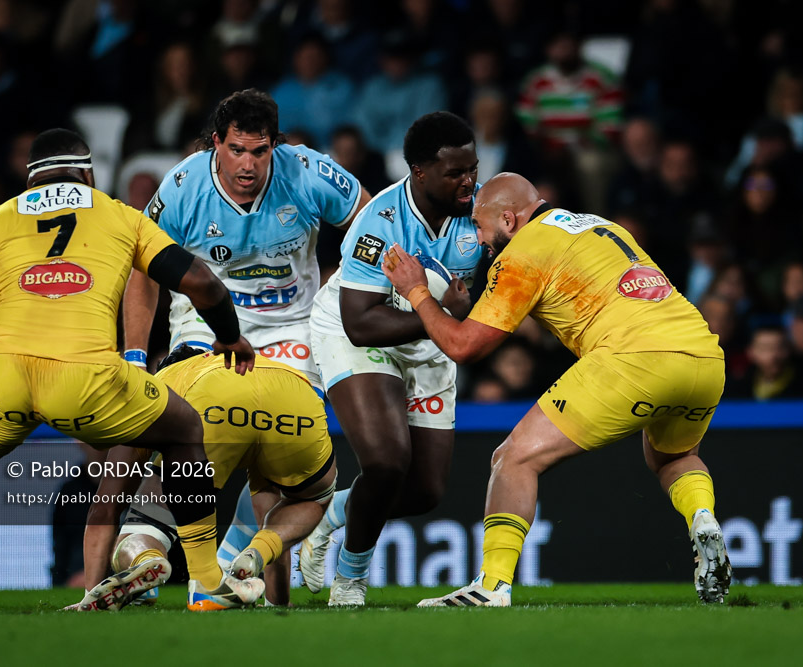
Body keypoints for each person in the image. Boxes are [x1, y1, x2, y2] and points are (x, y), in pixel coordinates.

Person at [0, 128, 263, 612]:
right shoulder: (120, 215)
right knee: (184, 429)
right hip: (86, 381)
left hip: (4, 380)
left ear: (30, 181)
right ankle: (206, 580)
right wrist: (227, 334)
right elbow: (205, 286)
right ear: (90, 173)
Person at [382, 172, 731, 607]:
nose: (478, 237)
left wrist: (416, 291)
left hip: (634, 359)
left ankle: (491, 587)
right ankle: (703, 519)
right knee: (674, 456)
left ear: (509, 219)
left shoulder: (524, 252)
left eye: (479, 224)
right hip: (704, 355)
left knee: (513, 460)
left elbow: (463, 346)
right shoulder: (599, 225)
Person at [120, 89, 370, 603]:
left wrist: (340, 295)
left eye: (260, 152)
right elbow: (141, 272)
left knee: (279, 469)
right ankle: (178, 563)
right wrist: (135, 356)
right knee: (185, 456)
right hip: (204, 333)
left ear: (277, 146)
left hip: (292, 337)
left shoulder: (308, 172)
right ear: (217, 142)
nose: (248, 165)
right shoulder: (184, 185)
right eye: (237, 150)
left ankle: (213, 572)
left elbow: (373, 223)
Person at [302, 111, 482, 606]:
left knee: (425, 491)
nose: (469, 181)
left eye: (472, 168)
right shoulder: (379, 223)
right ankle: (350, 580)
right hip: (359, 334)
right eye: (455, 173)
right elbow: (360, 320)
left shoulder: (480, 209)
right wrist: (440, 311)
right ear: (419, 172)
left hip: (429, 337)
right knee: (386, 462)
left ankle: (328, 515)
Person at [81, 344, 337, 610]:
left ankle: (145, 559)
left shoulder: (160, 384)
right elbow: (267, 509)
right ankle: (255, 553)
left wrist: (89, 592)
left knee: (148, 511)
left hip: (212, 401)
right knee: (313, 498)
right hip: (297, 396)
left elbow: (105, 507)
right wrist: (279, 600)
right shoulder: (245, 364)